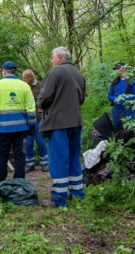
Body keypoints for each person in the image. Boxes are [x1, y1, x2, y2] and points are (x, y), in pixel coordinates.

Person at [38, 47, 85, 207]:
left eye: (52, 57)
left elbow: (45, 97)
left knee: (58, 160)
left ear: (58, 57)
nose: (51, 60)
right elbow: (81, 99)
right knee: (73, 158)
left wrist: (40, 104)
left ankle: (58, 199)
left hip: (58, 123)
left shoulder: (56, 72)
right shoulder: (78, 73)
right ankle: (77, 194)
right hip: (76, 122)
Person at [0, 61, 36, 186]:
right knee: (20, 156)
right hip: (21, 128)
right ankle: (19, 183)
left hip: (3, 130)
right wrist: (32, 125)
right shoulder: (24, 86)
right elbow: (31, 107)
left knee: (2, 156)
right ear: (15, 72)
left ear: (4, 71)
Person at [22, 69, 48, 173]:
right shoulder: (22, 87)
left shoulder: (41, 86)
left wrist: (43, 107)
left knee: (41, 142)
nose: (23, 79)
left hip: (38, 119)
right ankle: (30, 164)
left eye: (25, 77)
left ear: (31, 77)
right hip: (27, 120)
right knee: (28, 143)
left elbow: (46, 99)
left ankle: (45, 164)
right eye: (23, 77)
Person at [108, 62, 135, 131]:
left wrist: (124, 99)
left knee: (131, 130)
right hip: (116, 110)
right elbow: (109, 96)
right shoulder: (114, 82)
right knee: (117, 129)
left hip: (129, 109)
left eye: (118, 68)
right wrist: (116, 99)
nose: (116, 71)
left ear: (124, 68)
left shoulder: (133, 80)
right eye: (115, 69)